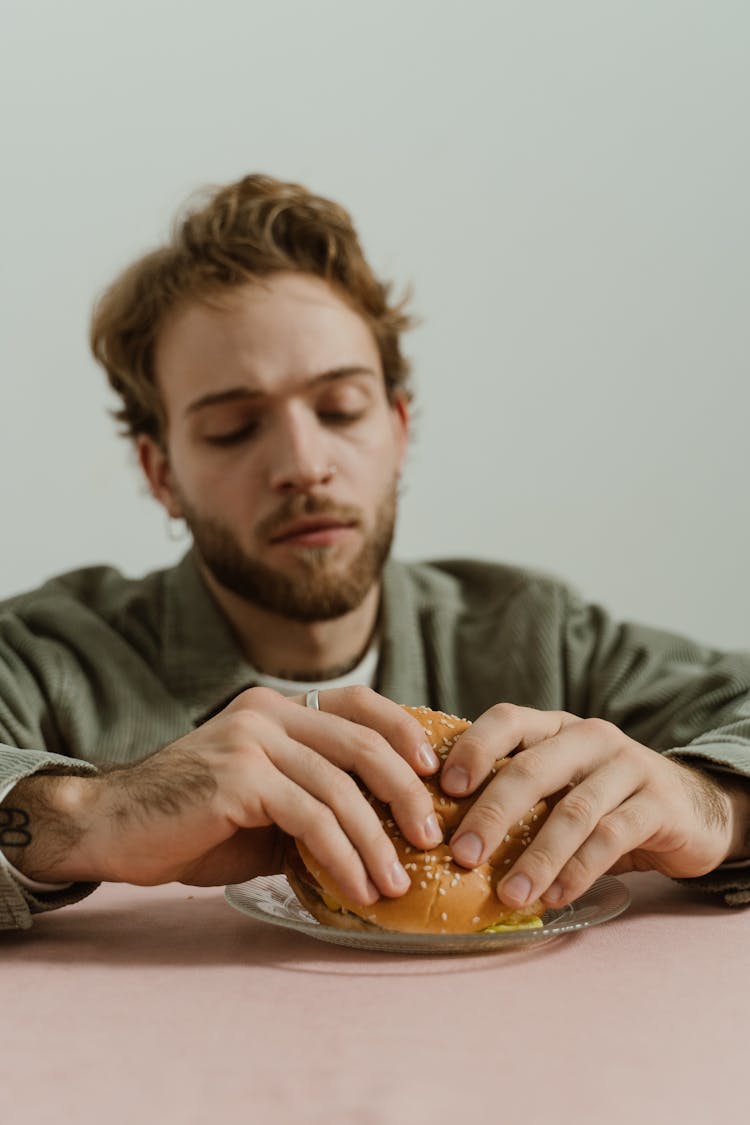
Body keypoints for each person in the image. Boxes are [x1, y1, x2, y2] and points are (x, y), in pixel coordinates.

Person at [1, 174, 748, 934]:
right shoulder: (44, 657)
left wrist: (716, 802)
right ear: (162, 473)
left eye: (340, 409)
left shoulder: (537, 634)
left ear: (397, 428)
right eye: (233, 427)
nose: (303, 462)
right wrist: (89, 814)